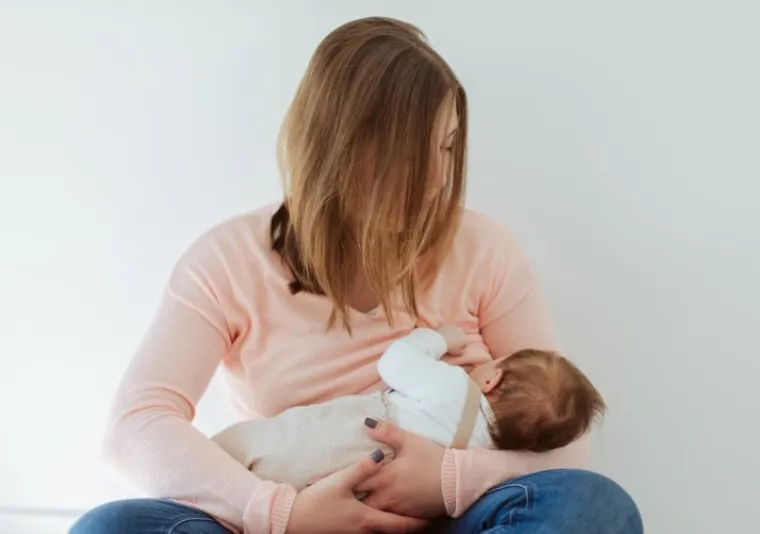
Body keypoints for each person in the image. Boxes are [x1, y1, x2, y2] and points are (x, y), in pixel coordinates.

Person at [70, 16, 643, 534]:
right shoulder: (228, 259)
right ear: (335, 149)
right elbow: (135, 428)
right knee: (112, 528)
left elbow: (569, 446)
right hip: (292, 512)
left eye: (445, 149)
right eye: (407, 156)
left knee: (591, 508)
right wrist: (282, 514)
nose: (435, 181)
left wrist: (449, 480)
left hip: (449, 520)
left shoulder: (485, 249)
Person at [211, 325, 607, 491]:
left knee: (254, 445)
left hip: (345, 434)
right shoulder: (484, 453)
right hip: (361, 484)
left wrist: (438, 338)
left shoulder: (455, 388)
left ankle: (212, 464)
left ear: (491, 380)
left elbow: (395, 362)